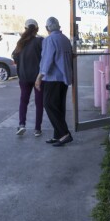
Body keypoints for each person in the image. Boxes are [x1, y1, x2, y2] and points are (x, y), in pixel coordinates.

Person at [35, 17, 73, 146]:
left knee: (49, 104)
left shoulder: (50, 40)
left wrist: (39, 78)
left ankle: (64, 133)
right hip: (64, 78)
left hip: (53, 79)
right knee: (59, 107)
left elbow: (46, 60)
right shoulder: (65, 39)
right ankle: (58, 135)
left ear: (47, 29)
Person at [12, 18, 44, 136]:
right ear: (37, 29)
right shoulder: (40, 41)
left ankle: (21, 125)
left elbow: (14, 57)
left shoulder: (20, 42)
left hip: (24, 77)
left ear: (25, 29)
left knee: (23, 101)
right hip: (38, 78)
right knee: (39, 103)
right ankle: (37, 129)